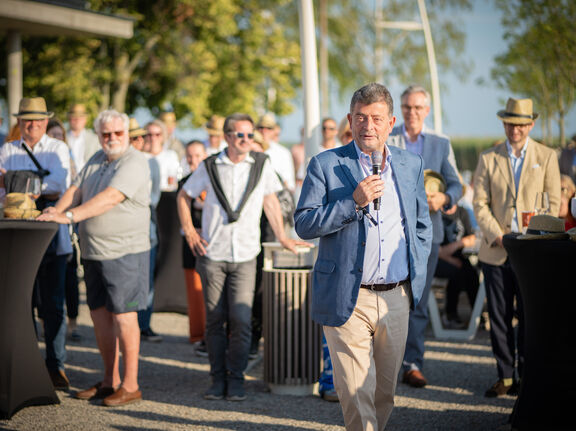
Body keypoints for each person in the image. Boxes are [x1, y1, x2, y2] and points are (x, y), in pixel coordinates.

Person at [295, 83, 432, 431]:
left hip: (396, 297)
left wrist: (415, 276)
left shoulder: (410, 163)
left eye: (375, 118)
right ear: (350, 120)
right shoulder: (325, 164)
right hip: (347, 295)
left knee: (385, 392)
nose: (367, 126)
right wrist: (352, 202)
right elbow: (304, 223)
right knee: (356, 391)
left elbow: (420, 225)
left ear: (390, 123)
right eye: (360, 118)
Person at [177, 113, 311, 402]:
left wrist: (283, 236)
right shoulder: (210, 165)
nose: (247, 140)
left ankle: (235, 379)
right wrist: (189, 231)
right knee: (215, 320)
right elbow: (184, 195)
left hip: (247, 254)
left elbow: (271, 201)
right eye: (241, 135)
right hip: (212, 253)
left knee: (240, 319)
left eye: (250, 135)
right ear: (227, 137)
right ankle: (217, 379)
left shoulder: (261, 164)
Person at [38, 109, 151, 406]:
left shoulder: (135, 161)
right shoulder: (97, 158)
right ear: (98, 135)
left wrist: (70, 216)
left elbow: (111, 197)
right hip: (93, 251)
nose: (111, 139)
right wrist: (56, 212)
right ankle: (109, 381)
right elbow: (75, 188)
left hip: (125, 253)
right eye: (106, 134)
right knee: (100, 317)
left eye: (117, 133)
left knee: (125, 318)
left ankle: (130, 385)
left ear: (127, 134)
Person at [473, 97, 561, 397]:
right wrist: (497, 234)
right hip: (496, 248)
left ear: (530, 125)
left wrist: (534, 230)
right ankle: (505, 377)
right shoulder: (488, 158)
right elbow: (479, 203)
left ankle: (528, 375)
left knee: (529, 315)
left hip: (532, 250)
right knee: (498, 316)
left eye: (521, 125)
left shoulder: (547, 156)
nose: (515, 130)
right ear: (504, 124)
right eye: (511, 124)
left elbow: (553, 202)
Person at [387, 84, 462, 388]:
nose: (412, 113)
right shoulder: (387, 138)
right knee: (386, 296)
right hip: (390, 233)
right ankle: (385, 363)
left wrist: (443, 198)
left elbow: (456, 185)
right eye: (407, 107)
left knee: (417, 298)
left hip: (427, 234)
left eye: (418, 108)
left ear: (427, 111)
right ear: (400, 110)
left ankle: (412, 363)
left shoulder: (441, 143)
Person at [0, 97, 73, 389]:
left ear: (46, 122)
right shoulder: (7, 150)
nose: (32, 125)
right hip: (16, 231)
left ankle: (56, 365)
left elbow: (59, 186)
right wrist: (30, 187)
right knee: (21, 301)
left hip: (50, 231)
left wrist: (16, 184)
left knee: (54, 302)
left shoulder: (59, 148)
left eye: (38, 120)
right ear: (19, 122)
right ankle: (27, 362)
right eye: (27, 120)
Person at [47, 117, 82, 343]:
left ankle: (73, 322)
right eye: (54, 135)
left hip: (67, 225)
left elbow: (72, 191)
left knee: (70, 277)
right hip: (50, 219)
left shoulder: (69, 160)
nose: (58, 139)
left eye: (61, 135)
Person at [129, 118, 163, 343]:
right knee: (129, 281)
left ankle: (143, 323)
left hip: (144, 228)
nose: (139, 141)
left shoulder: (151, 163)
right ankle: (131, 324)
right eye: (134, 137)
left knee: (145, 279)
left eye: (140, 137)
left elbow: (153, 198)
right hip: (125, 231)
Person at [177, 140, 208, 348]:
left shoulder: (213, 180)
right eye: (190, 156)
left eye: (198, 155)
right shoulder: (184, 183)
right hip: (190, 242)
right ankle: (198, 334)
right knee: (194, 290)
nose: (193, 160)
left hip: (213, 243)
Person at [435, 202, 479, 328]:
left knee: (472, 273)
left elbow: (471, 238)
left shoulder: (462, 211)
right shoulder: (436, 213)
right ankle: (450, 314)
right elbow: (434, 249)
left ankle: (476, 315)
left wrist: (455, 246)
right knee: (456, 273)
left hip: (457, 256)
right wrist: (450, 257)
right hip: (439, 259)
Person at [256, 113, 296, 192]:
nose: (264, 131)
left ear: (274, 131)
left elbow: (289, 183)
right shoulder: (248, 149)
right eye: (261, 127)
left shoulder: (283, 153)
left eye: (269, 128)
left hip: (275, 195)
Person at [145, 120, 181, 191]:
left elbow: (173, 180)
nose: (153, 138)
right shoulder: (141, 156)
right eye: (149, 134)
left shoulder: (171, 155)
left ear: (163, 136)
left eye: (157, 134)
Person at [66, 103, 100, 173]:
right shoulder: (63, 138)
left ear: (85, 119)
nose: (77, 120)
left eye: (81, 117)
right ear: (69, 119)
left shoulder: (95, 139)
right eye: (74, 117)